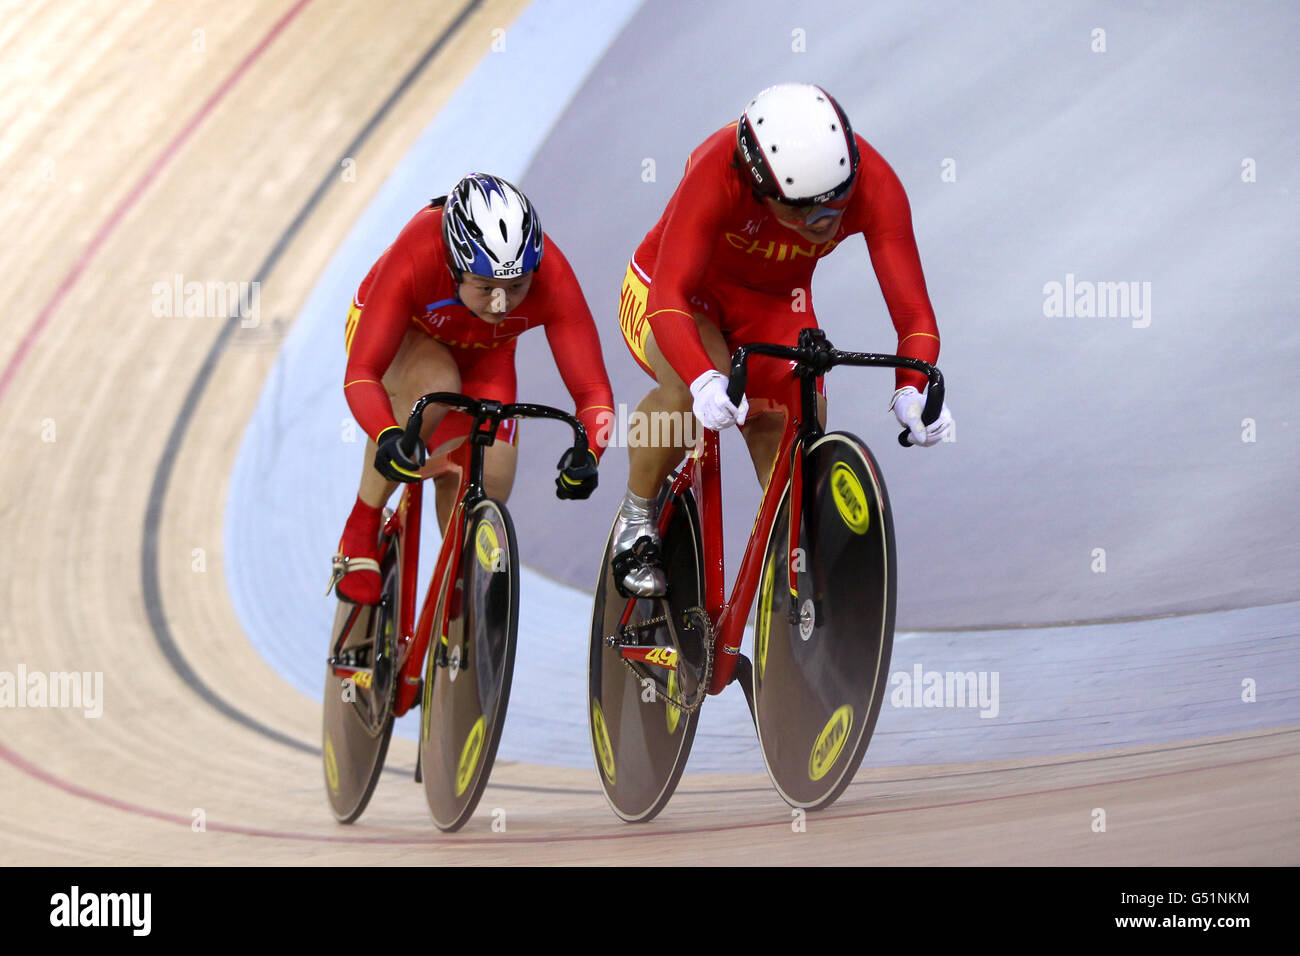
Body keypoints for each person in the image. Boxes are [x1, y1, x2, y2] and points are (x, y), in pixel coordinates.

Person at [611, 82, 954, 596]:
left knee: (795, 442)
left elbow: (914, 315)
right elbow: (668, 298)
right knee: (689, 392)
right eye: (799, 210)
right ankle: (636, 515)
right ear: (757, 186)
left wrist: (911, 387)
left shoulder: (875, 184)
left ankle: (791, 589)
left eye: (834, 205)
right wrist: (703, 379)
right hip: (678, 295)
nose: (820, 221)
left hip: (772, 306)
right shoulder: (716, 168)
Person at [329, 172, 614, 604]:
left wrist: (590, 452)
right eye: (485, 287)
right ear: (454, 267)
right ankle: (361, 526)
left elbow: (593, 392)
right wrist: (388, 435)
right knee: (434, 385)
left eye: (516, 287)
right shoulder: (418, 253)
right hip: (401, 337)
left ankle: (457, 609)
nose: (501, 304)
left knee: (491, 480)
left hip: (485, 357)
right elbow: (363, 372)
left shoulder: (551, 276)